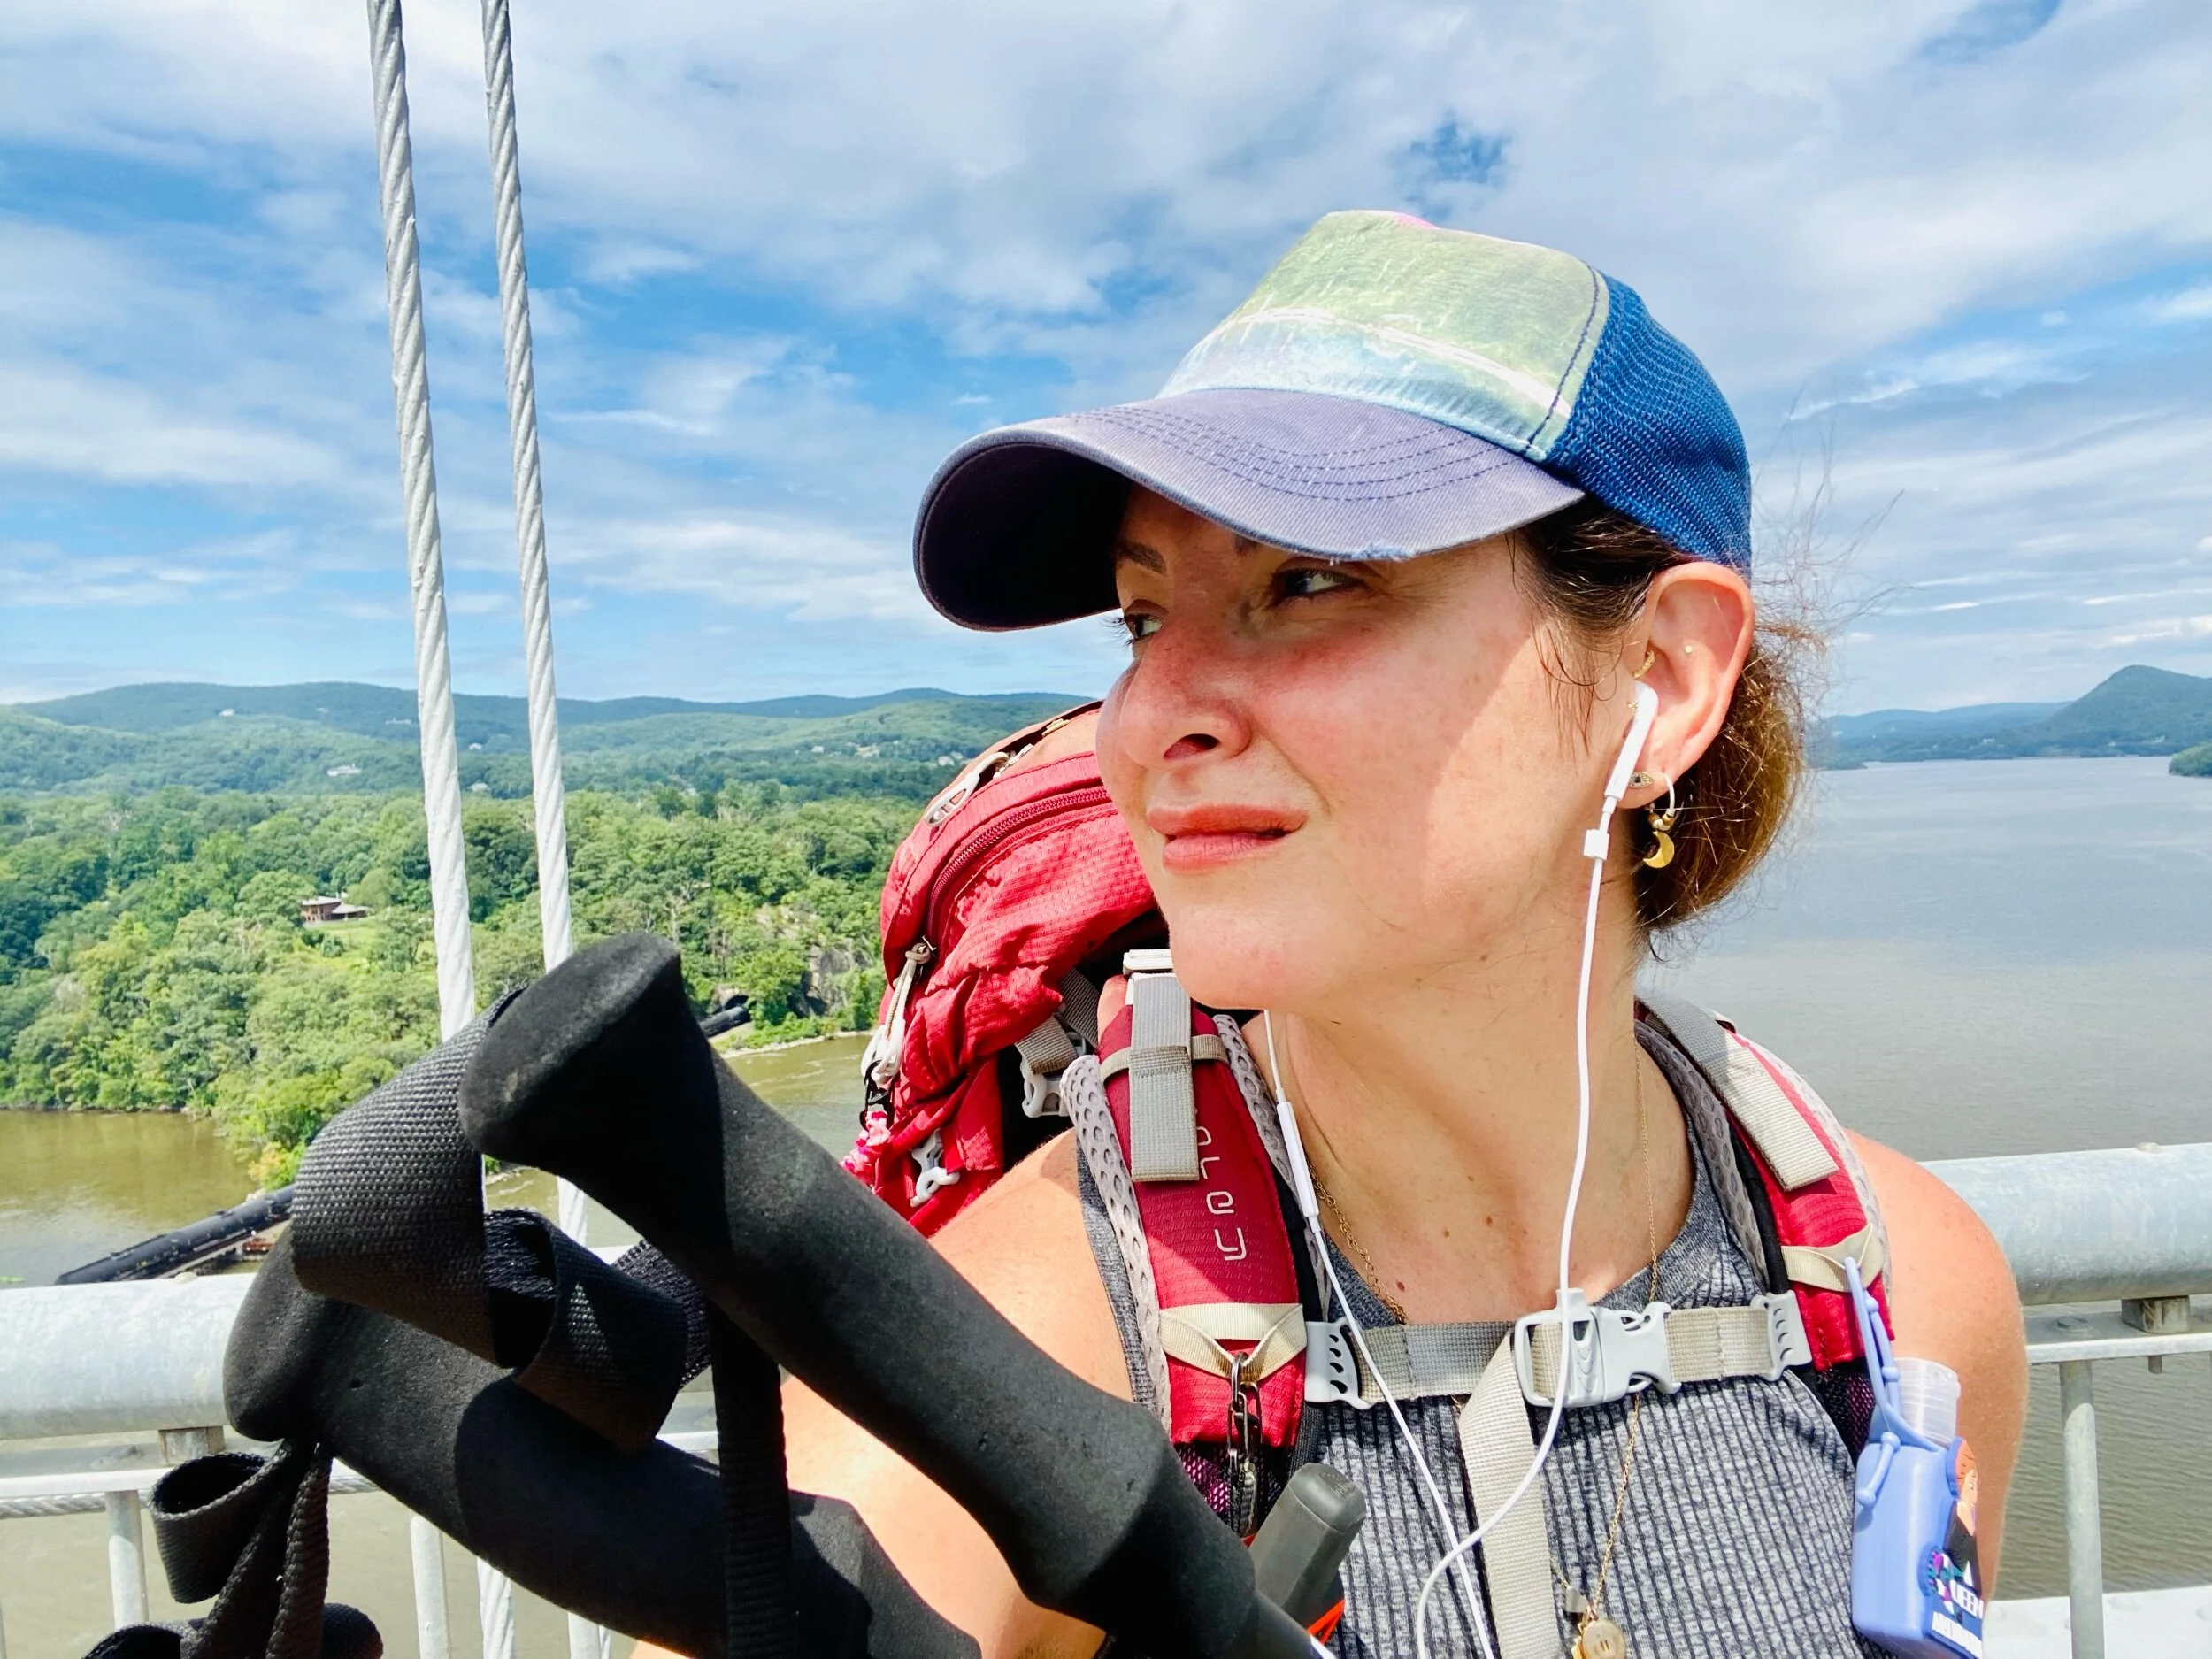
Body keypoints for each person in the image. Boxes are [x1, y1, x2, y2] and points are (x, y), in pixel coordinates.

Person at [679, 211, 2027, 1656]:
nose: (1147, 716)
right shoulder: (1012, 1367)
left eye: (1308, 579)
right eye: (1141, 618)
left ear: (1661, 675)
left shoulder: (1904, 1306)